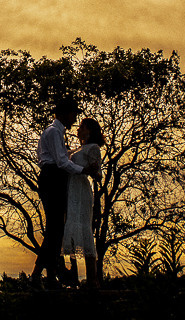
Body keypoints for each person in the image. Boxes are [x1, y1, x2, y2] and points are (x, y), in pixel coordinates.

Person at [32, 97, 90, 284]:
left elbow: (60, 157)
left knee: (55, 228)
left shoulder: (54, 132)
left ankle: (46, 274)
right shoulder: (54, 132)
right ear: (65, 113)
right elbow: (62, 162)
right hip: (53, 178)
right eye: (74, 114)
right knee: (55, 228)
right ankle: (41, 274)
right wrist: (83, 170)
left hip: (52, 177)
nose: (75, 119)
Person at [62, 117, 105, 288]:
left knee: (85, 229)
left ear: (89, 130)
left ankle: (92, 278)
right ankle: (72, 277)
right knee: (72, 226)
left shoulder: (93, 148)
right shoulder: (79, 148)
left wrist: (92, 170)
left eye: (82, 126)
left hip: (81, 191)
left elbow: (98, 174)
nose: (78, 129)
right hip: (71, 190)